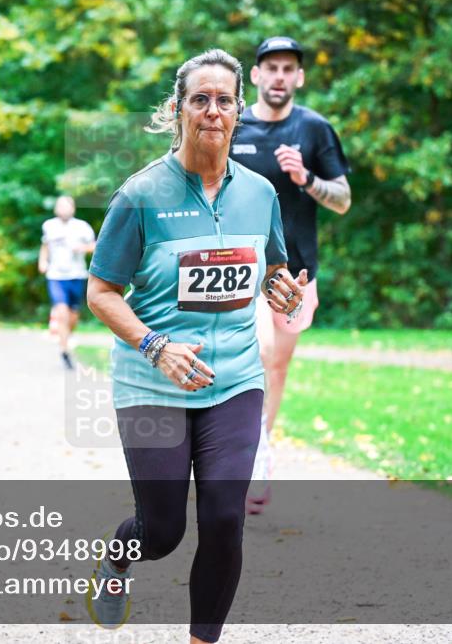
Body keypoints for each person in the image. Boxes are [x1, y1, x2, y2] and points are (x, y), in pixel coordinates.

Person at [85, 49, 305, 643]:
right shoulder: (141, 195)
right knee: (162, 531)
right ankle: (118, 560)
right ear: (178, 110)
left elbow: (272, 267)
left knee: (225, 518)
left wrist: (280, 290)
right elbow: (101, 292)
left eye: (225, 100)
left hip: (234, 379)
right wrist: (155, 345)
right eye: (200, 99)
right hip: (151, 383)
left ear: (239, 112)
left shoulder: (260, 194)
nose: (213, 110)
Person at [229, 36, 352, 514]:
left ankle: (260, 451)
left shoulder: (315, 130)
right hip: (238, 268)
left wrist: (306, 180)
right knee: (255, 355)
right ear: (256, 76)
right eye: (271, 68)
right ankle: (249, 456)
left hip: (296, 274)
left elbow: (342, 200)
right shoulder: (234, 124)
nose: (280, 76)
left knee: (275, 366)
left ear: (299, 77)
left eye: (289, 69)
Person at [38, 195, 96, 369]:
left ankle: (65, 336)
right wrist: (42, 261)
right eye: (60, 206)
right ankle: (64, 351)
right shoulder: (49, 226)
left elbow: (95, 245)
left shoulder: (82, 227)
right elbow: (45, 246)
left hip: (77, 275)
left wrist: (83, 248)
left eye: (67, 206)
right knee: (61, 312)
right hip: (56, 275)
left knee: (73, 316)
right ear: (56, 209)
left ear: (73, 208)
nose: (63, 209)